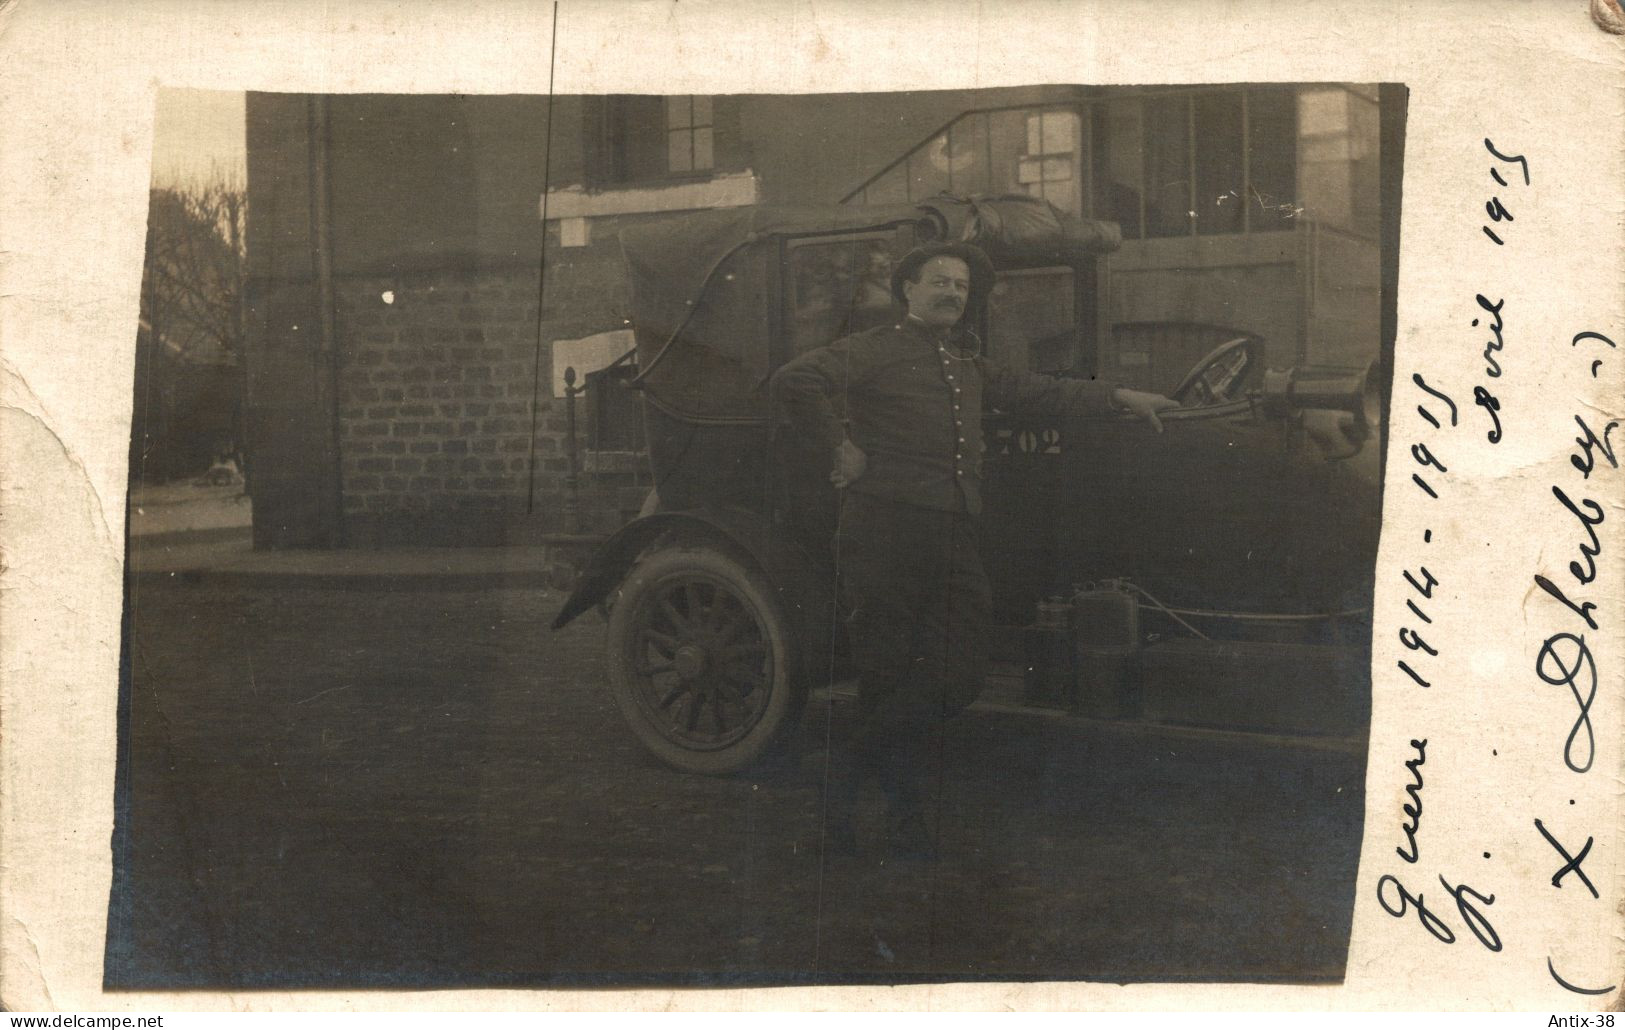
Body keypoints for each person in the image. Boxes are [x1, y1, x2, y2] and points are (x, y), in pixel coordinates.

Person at [769, 241, 1177, 860]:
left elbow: (1040, 391)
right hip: (883, 532)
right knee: (884, 678)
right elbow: (796, 380)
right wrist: (838, 448)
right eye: (939, 282)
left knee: (958, 675)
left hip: (951, 533)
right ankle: (887, 821)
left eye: (960, 287)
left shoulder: (965, 362)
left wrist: (1121, 397)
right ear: (908, 289)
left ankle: (842, 770)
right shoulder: (876, 349)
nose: (952, 294)